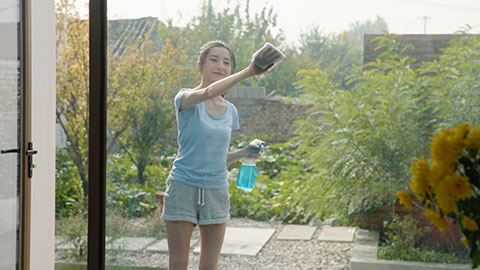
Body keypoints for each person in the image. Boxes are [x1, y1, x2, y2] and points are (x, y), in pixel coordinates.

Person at [161, 40, 272, 270]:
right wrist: (251, 71)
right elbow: (210, 91)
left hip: (215, 190)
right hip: (183, 186)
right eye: (214, 60)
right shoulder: (186, 98)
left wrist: (243, 153)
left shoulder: (230, 111)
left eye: (227, 62)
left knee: (209, 267)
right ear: (199, 65)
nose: (220, 66)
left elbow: (217, 157)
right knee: (178, 264)